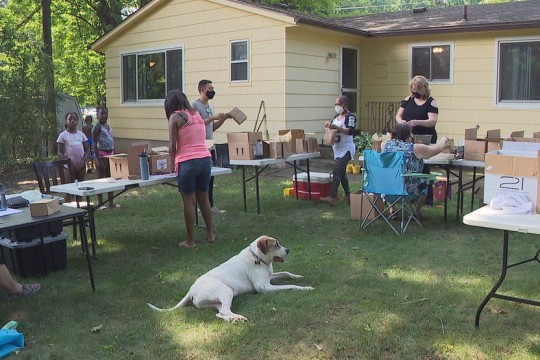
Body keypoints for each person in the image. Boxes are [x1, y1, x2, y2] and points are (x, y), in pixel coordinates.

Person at [165, 89, 216, 248]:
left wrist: (173, 164)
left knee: (189, 202)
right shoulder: (197, 114)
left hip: (187, 161)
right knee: (204, 199)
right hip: (205, 160)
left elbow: (172, 147)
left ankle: (190, 240)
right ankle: (210, 233)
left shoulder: (175, 117)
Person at [381, 124, 448, 217]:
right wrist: (444, 139)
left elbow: (387, 141)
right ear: (409, 136)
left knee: (391, 176)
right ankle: (416, 212)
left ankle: (393, 210)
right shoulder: (415, 148)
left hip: (385, 189)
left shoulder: (385, 145)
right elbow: (438, 148)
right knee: (424, 182)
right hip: (407, 190)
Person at [395, 75, 439, 207]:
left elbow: (432, 120)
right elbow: (398, 115)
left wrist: (417, 122)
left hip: (424, 137)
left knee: (423, 166)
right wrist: (401, 122)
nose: (415, 93)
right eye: (413, 90)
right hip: (409, 136)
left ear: (423, 89)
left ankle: (427, 198)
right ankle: (410, 194)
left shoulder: (431, 102)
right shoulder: (408, 100)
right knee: (409, 165)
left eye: (417, 90)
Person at [192, 80, 231, 214]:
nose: (212, 91)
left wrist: (222, 119)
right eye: (210, 88)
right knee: (201, 177)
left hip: (210, 145)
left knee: (211, 175)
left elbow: (211, 127)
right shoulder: (194, 105)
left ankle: (210, 205)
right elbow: (196, 124)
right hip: (199, 146)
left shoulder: (211, 106)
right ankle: (199, 205)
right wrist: (212, 117)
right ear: (202, 90)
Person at [320, 95, 357, 206]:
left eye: (339, 104)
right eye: (336, 104)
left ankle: (332, 196)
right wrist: (329, 126)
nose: (337, 106)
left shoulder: (350, 116)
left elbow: (350, 131)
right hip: (337, 148)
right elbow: (333, 129)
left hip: (346, 149)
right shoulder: (336, 117)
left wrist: (337, 128)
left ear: (345, 105)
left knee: (336, 171)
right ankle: (348, 195)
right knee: (341, 173)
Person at [91, 106, 121, 210]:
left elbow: (112, 140)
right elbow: (94, 144)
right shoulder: (97, 127)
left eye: (105, 113)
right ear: (97, 115)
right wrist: (98, 160)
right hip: (101, 154)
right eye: (101, 114)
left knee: (110, 178)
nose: (104, 115)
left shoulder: (108, 126)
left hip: (110, 154)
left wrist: (115, 154)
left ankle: (111, 202)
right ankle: (100, 203)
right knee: (101, 179)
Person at [57, 112, 90, 202]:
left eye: (74, 119)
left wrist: (83, 162)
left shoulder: (81, 134)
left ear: (77, 121)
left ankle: (79, 205)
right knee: (69, 188)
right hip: (69, 167)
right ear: (66, 121)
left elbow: (87, 150)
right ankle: (69, 206)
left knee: (80, 187)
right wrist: (69, 161)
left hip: (81, 166)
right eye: (70, 119)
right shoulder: (63, 135)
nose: (72, 121)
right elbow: (60, 153)